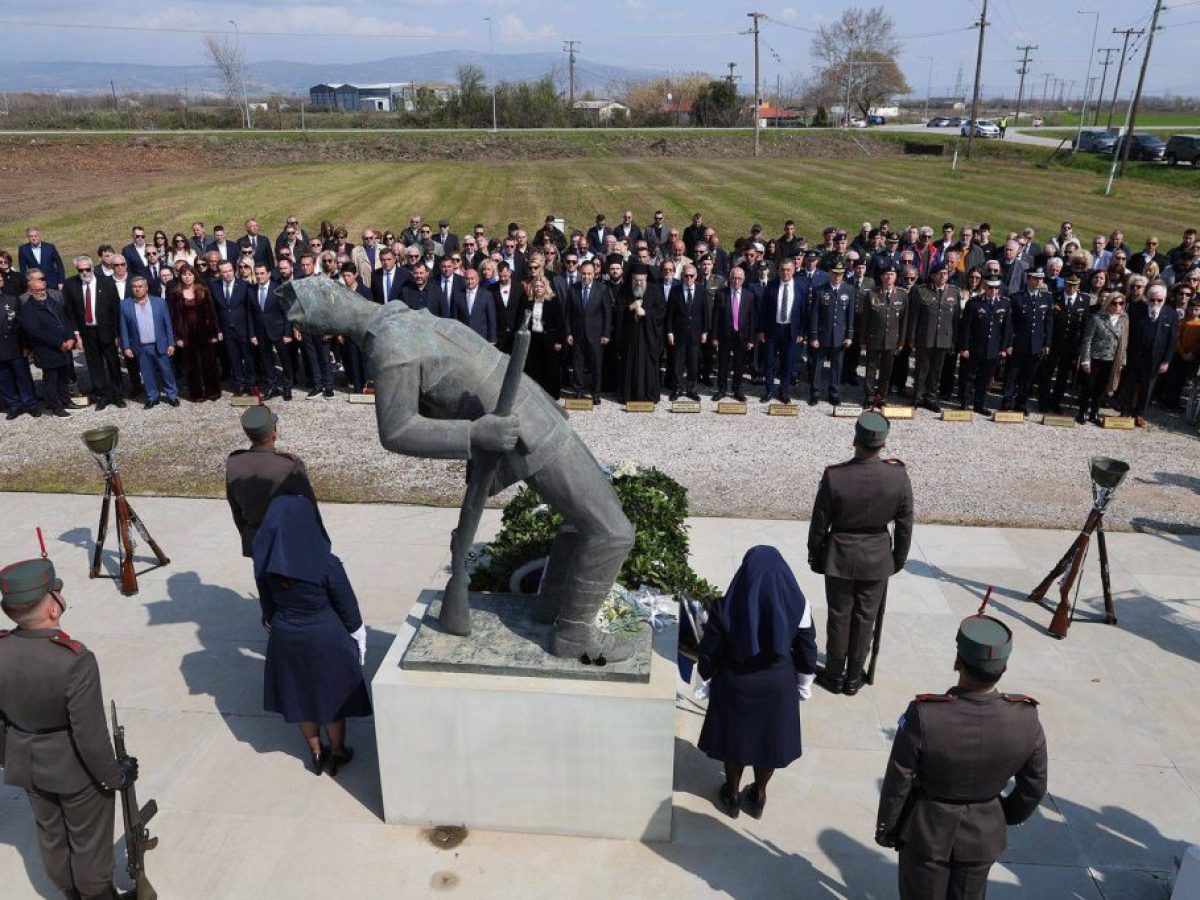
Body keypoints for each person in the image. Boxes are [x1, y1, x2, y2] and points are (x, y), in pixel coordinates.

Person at [286, 276, 636, 662]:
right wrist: (475, 433)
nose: (340, 291)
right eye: (329, 292)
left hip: (533, 412)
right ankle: (573, 634)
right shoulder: (390, 347)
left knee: (585, 524)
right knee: (612, 534)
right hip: (523, 433)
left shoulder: (398, 315)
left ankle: (551, 608)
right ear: (331, 309)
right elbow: (398, 431)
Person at [875, 615, 1048, 899]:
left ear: (958, 661)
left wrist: (889, 827)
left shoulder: (926, 714)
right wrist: (1001, 815)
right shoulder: (1026, 718)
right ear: (1003, 667)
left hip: (927, 831)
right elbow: (1034, 784)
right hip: (983, 835)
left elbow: (899, 778)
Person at [0, 553, 138, 900]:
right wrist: (114, 775)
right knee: (89, 842)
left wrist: (9, 755)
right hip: (74, 770)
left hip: (25, 760)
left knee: (51, 834)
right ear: (52, 608)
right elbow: (89, 734)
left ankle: (68, 892)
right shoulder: (74, 660)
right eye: (57, 591)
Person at [252, 494, 371, 775]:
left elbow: (267, 605)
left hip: (286, 635)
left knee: (301, 697)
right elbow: (347, 605)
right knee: (331, 698)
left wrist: (275, 622)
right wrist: (358, 634)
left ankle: (316, 753)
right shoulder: (326, 562)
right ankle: (338, 751)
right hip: (326, 637)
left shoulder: (266, 563)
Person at [696, 545, 817, 819]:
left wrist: (704, 679)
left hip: (735, 683)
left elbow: (709, 650)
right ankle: (759, 792)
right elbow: (808, 650)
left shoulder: (726, 605)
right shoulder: (800, 604)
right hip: (778, 685)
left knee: (736, 742)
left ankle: (732, 793)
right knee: (768, 742)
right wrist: (804, 683)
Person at [808, 411, 913, 696]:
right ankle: (854, 677)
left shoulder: (835, 476)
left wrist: (815, 556)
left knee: (840, 616)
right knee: (866, 618)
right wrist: (897, 559)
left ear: (856, 438)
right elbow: (904, 524)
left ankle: (833, 674)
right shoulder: (898, 475)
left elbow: (820, 522)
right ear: (883, 443)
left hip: (840, 553)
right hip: (878, 556)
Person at [226, 404, 317, 557]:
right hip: (287, 542)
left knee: (263, 581)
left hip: (255, 539)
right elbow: (309, 508)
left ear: (248, 435)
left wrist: (248, 536)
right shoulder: (289, 465)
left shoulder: (234, 462)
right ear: (274, 434)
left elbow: (236, 509)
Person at [17, 269, 81, 418]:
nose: (41, 292)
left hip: (65, 347)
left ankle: (66, 400)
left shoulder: (50, 301)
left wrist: (71, 337)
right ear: (30, 292)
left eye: (43, 289)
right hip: (47, 350)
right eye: (37, 290)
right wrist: (59, 342)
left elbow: (64, 320)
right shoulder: (28, 310)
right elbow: (36, 331)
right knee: (51, 380)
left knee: (64, 377)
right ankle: (55, 406)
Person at [1120, 284, 1178, 427]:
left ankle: (1139, 414)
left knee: (1147, 387)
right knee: (1129, 383)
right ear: (1147, 298)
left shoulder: (1171, 313)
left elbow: (1172, 340)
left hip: (1155, 358)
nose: (1156, 303)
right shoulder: (1136, 309)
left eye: (1159, 300)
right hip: (1134, 354)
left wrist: (1166, 361)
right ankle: (1125, 411)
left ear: (1164, 299)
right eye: (1152, 300)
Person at [118, 276, 179, 409]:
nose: (137, 289)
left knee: (167, 371)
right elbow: (123, 327)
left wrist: (171, 343)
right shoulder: (125, 304)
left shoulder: (159, 302)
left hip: (160, 344)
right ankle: (152, 397)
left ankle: (172, 395)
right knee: (147, 373)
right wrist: (126, 346)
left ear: (146, 288)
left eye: (140, 286)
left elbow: (167, 324)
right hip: (140, 346)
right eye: (134, 287)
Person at [907, 262, 960, 414]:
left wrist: (953, 340)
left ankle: (931, 398)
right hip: (925, 337)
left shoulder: (953, 292)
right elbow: (914, 317)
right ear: (932, 275)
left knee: (936, 371)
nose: (943, 276)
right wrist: (911, 338)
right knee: (921, 369)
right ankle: (917, 397)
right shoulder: (921, 291)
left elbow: (955, 319)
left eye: (945, 273)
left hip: (944, 338)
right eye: (940, 273)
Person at [956, 274, 1012, 414]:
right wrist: (964, 347)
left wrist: (1004, 348)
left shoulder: (1004, 303)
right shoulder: (974, 303)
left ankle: (978, 404)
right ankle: (965, 402)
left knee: (984, 378)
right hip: (975, 347)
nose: (993, 290)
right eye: (991, 287)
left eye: (996, 288)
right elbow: (966, 327)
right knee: (969, 376)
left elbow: (1007, 328)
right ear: (985, 287)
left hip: (992, 348)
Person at [1001, 268, 1054, 414]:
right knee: (1012, 373)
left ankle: (1021, 402)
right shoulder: (1017, 298)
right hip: (1019, 342)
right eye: (1035, 278)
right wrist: (1009, 343)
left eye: (1041, 279)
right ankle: (1007, 401)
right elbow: (1010, 323)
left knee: (1028, 376)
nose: (1038, 282)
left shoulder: (1047, 298)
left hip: (1036, 344)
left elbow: (1048, 323)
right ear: (1029, 279)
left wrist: (1047, 343)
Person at [169, 263, 223, 402]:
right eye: (184, 274)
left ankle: (213, 391)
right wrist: (178, 337)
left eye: (190, 274)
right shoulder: (175, 293)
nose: (187, 278)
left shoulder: (203, 290)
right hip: (186, 333)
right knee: (192, 365)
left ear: (195, 276)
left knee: (209, 363)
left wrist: (215, 332)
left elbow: (212, 313)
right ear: (180, 276)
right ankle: (197, 393)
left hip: (205, 331)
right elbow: (174, 317)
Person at [860, 263, 909, 408]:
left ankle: (881, 395)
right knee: (871, 368)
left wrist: (901, 341)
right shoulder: (872, 294)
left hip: (891, 339)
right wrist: (863, 340)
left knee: (886, 370)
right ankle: (869, 395)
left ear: (896, 277)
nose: (889, 277)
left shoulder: (902, 295)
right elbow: (865, 319)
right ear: (881, 277)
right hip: (874, 337)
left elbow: (904, 321)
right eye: (886, 274)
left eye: (892, 274)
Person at [807, 261, 855, 406]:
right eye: (834, 273)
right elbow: (814, 314)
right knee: (817, 365)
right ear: (829, 273)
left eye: (840, 274)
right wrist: (813, 336)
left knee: (837, 366)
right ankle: (815, 393)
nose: (837, 277)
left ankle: (834, 393)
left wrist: (849, 335)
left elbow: (850, 315)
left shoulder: (849, 289)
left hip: (839, 336)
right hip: (822, 335)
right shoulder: (820, 289)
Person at [1075, 292, 1128, 425]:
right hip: (1095, 357)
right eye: (1114, 303)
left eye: (1121, 303)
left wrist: (1122, 361)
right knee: (1088, 386)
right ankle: (1082, 412)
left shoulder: (1124, 320)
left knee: (1100, 388)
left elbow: (1124, 342)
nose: (1117, 306)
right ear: (1108, 304)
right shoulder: (1097, 318)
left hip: (1111, 360)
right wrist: (1085, 359)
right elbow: (1087, 340)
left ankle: (1094, 413)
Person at [618, 264, 667, 403]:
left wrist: (646, 313)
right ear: (631, 279)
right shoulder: (624, 290)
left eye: (641, 281)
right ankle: (629, 395)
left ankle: (648, 395)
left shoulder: (654, 290)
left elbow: (661, 311)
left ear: (646, 279)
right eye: (635, 280)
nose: (638, 283)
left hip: (648, 337)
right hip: (630, 337)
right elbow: (617, 311)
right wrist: (629, 307)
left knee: (648, 366)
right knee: (630, 365)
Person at [565, 260, 612, 403]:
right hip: (578, 333)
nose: (586, 277)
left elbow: (607, 313)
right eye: (584, 274)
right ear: (580, 273)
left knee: (596, 365)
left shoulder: (602, 289)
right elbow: (567, 313)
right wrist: (568, 333)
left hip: (596, 335)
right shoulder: (573, 288)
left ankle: (595, 393)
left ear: (594, 274)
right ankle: (579, 391)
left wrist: (606, 334)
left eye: (589, 274)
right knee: (578, 364)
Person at [666, 264, 708, 402]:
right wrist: (670, 332)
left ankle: (692, 389)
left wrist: (705, 331)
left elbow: (705, 313)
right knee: (678, 363)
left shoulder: (701, 290)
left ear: (696, 276)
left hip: (695, 333)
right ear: (682, 276)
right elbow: (670, 313)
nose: (689, 278)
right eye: (686, 276)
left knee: (693, 363)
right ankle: (677, 389)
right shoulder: (675, 290)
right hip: (679, 332)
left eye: (692, 276)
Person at [518, 276, 565, 399]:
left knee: (550, 368)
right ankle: (535, 396)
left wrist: (559, 340)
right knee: (534, 367)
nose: (538, 289)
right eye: (536, 286)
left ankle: (551, 396)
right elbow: (521, 320)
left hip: (549, 339)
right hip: (533, 338)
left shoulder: (552, 301)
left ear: (546, 288)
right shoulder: (527, 300)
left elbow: (560, 322)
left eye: (541, 286)